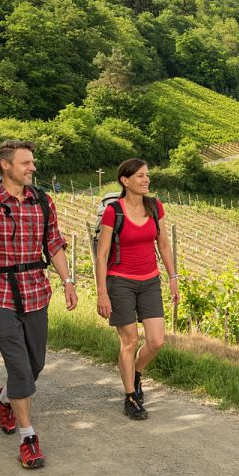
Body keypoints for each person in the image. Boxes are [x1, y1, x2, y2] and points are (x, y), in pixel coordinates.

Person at [0, 140, 78, 469]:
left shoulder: (42, 202)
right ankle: (28, 437)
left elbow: (54, 244)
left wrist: (68, 281)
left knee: (35, 364)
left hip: (36, 290)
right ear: (6, 166)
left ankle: (3, 398)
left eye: (32, 162)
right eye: (26, 163)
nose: (32, 168)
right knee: (20, 366)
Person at [95, 158, 178, 420]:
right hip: (120, 282)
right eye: (140, 176)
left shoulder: (155, 207)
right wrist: (101, 291)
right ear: (125, 180)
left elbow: (163, 245)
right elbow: (102, 253)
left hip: (150, 281)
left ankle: (136, 372)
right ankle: (130, 396)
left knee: (156, 341)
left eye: (147, 176)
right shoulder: (113, 212)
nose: (146, 180)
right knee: (130, 341)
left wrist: (173, 276)